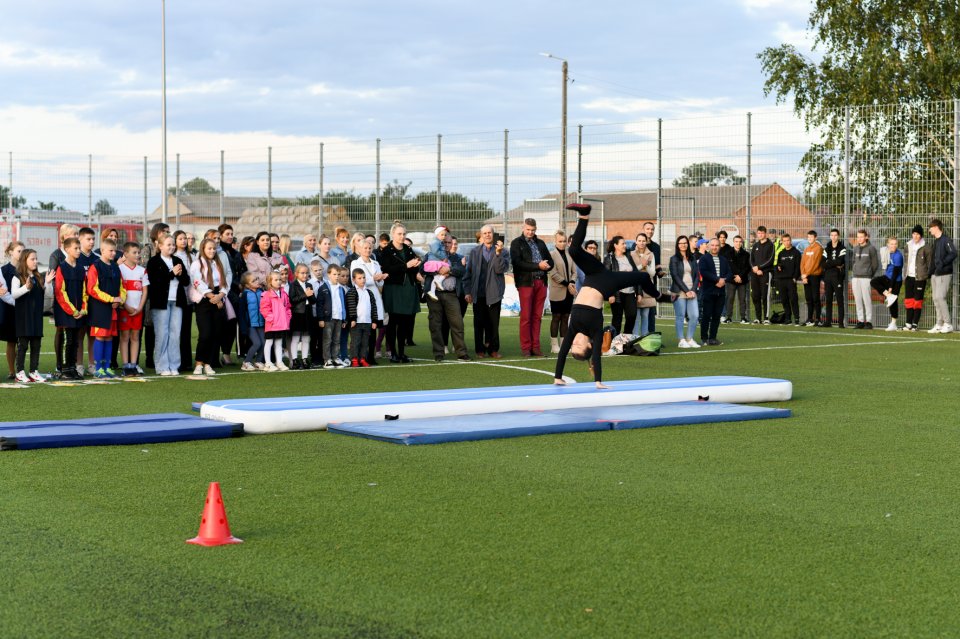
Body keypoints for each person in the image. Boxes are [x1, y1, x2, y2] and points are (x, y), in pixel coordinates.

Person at [554, 204, 674, 388]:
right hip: (608, 282)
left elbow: (562, 352)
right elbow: (596, 356)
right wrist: (598, 381)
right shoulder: (595, 329)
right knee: (642, 276)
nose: (574, 342)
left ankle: (584, 215)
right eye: (579, 345)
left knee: (573, 250)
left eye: (573, 346)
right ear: (588, 345)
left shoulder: (573, 329)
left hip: (593, 274)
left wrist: (557, 377)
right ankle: (659, 296)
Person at [146, 234, 189, 376]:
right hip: (160, 303)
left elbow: (186, 281)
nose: (171, 247)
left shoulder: (178, 260)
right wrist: (171, 273)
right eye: (168, 244)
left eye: (173, 245)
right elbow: (155, 282)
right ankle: (162, 366)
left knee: (175, 334)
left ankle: (174, 365)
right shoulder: (153, 262)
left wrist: (180, 274)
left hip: (177, 302)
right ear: (160, 246)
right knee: (162, 334)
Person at [464, 225, 509, 359]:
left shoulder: (504, 252)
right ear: (481, 236)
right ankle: (480, 350)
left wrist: (498, 253)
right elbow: (468, 273)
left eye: (490, 233)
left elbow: (499, 269)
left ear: (493, 234)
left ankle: (493, 349)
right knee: (479, 323)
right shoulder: (474, 252)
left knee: (494, 323)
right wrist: (467, 291)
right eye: (485, 233)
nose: (487, 235)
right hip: (478, 292)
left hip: (494, 293)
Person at [379, 223, 422, 363]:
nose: (402, 236)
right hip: (394, 289)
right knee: (393, 322)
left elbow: (413, 268)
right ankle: (393, 353)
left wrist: (416, 265)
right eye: (399, 234)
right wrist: (405, 266)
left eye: (404, 234)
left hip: (408, 289)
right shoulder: (386, 251)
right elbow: (386, 268)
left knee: (405, 323)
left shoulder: (408, 249)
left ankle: (402, 353)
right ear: (393, 235)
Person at [11, 249, 55, 382]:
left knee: (36, 344)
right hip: (23, 317)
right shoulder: (17, 276)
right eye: (32, 259)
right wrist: (26, 288)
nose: (35, 261)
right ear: (25, 260)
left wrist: (47, 283)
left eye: (36, 259)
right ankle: (20, 372)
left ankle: (33, 371)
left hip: (36, 317)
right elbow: (14, 294)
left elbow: (48, 295)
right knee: (23, 345)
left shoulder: (39, 277)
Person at [511, 218, 553, 356]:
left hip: (541, 282)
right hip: (526, 283)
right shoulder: (516, 243)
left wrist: (547, 265)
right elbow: (517, 263)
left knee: (537, 317)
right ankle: (526, 348)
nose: (530, 232)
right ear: (523, 228)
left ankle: (536, 347)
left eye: (533, 230)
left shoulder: (540, 243)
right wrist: (537, 266)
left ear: (536, 229)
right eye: (528, 229)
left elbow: (550, 261)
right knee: (526, 317)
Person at [85, 238, 126, 378]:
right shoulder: (95, 267)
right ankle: (98, 368)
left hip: (113, 309)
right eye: (111, 250)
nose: (114, 253)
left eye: (115, 251)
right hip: (99, 309)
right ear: (102, 251)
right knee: (100, 337)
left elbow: (122, 287)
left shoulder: (115, 267)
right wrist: (111, 299)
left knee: (109, 338)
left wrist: (120, 300)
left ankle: (107, 367)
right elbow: (92, 289)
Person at [423, 245, 470, 363]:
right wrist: (437, 268)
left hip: (451, 294)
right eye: (445, 243)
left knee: (457, 323)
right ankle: (439, 353)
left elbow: (462, 271)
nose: (448, 245)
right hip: (434, 295)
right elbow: (422, 269)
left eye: (450, 242)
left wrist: (449, 269)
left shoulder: (457, 257)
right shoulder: (430, 255)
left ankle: (461, 353)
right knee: (435, 325)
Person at [189, 238, 228, 376]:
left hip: (217, 297)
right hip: (204, 300)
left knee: (216, 333)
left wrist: (221, 295)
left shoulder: (218, 264)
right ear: (203, 249)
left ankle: (208, 364)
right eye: (209, 248)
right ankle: (199, 363)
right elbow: (197, 283)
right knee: (205, 334)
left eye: (213, 248)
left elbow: (224, 282)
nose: (212, 251)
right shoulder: (197, 264)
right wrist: (213, 297)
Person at [52, 237, 88, 380]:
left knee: (76, 341)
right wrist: (72, 310)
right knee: (68, 340)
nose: (79, 251)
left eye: (79, 248)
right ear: (67, 250)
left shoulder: (80, 268)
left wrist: (83, 308)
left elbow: (84, 290)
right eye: (76, 248)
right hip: (66, 312)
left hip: (78, 312)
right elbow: (60, 292)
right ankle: (65, 369)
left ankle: (72, 367)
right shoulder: (61, 268)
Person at [50, 223, 80, 376]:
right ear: (64, 237)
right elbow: (55, 281)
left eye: (77, 234)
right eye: (73, 234)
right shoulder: (57, 255)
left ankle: (71, 366)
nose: (76, 237)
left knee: (73, 338)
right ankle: (60, 365)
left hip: (76, 304)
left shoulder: (77, 256)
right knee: (61, 332)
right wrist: (67, 305)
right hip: (63, 303)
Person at [118, 242, 149, 376]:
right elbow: (119, 290)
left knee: (135, 336)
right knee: (125, 336)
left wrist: (140, 307)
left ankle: (133, 364)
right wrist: (126, 306)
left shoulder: (142, 270)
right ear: (125, 254)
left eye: (138, 252)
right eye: (134, 252)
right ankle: (126, 365)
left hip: (138, 310)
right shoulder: (120, 269)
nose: (137, 255)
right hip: (125, 309)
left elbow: (145, 290)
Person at [696, 238, 732, 345]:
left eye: (716, 245)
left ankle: (713, 338)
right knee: (706, 315)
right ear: (709, 246)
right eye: (712, 245)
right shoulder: (704, 259)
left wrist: (724, 280)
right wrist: (717, 280)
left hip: (720, 292)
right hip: (708, 291)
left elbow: (729, 273)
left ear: (719, 247)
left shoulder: (723, 259)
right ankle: (704, 338)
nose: (714, 247)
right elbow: (704, 272)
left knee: (717, 316)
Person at [603, 236, 640, 336]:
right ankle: (614, 340)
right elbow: (606, 278)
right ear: (615, 245)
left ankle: (627, 337)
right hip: (617, 293)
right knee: (617, 318)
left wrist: (639, 292)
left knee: (632, 315)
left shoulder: (628, 256)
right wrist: (610, 294)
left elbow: (636, 274)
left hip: (630, 292)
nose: (625, 245)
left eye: (625, 243)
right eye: (622, 243)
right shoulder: (609, 258)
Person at [548, 230, 577, 353]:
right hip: (557, 291)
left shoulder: (570, 254)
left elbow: (574, 271)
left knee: (566, 317)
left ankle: (564, 344)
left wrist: (572, 283)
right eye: (560, 241)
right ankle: (554, 345)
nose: (563, 243)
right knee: (556, 317)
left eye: (564, 241)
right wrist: (567, 283)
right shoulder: (551, 254)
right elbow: (553, 273)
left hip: (569, 291)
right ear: (555, 241)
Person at [670, 236, 700, 348]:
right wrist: (686, 291)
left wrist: (693, 290)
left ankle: (690, 338)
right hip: (679, 291)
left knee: (694, 315)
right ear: (677, 245)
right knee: (680, 316)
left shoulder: (692, 258)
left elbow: (697, 275)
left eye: (685, 243)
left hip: (691, 291)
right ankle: (681, 340)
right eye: (681, 243)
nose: (683, 245)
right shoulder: (674, 259)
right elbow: (675, 276)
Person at [345, 268, 379, 367]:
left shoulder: (369, 292)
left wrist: (374, 320)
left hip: (367, 322)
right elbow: (351, 307)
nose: (362, 280)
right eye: (359, 278)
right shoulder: (352, 292)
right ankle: (354, 359)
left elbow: (373, 307)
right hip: (356, 323)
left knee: (365, 342)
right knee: (356, 342)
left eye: (364, 278)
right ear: (354, 279)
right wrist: (352, 319)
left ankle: (363, 358)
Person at [868, 236, 903, 331]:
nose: (893, 246)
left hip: (896, 281)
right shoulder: (886, 252)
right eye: (891, 244)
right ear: (888, 244)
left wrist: (891, 287)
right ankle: (888, 295)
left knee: (893, 303)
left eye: (895, 244)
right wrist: (887, 292)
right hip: (887, 277)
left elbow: (895, 274)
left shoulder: (898, 256)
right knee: (874, 281)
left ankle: (893, 323)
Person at [928, 219, 956, 333]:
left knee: (940, 297)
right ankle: (939, 324)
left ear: (936, 227)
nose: (929, 230)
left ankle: (948, 324)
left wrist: (943, 263)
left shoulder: (945, 240)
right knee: (935, 298)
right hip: (935, 274)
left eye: (930, 227)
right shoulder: (936, 241)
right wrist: (931, 272)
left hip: (944, 273)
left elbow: (953, 253)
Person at [259, 270, 292, 372]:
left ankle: (279, 362)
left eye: (279, 280)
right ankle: (268, 363)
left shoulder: (284, 294)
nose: (278, 282)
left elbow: (288, 307)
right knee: (269, 342)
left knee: (279, 343)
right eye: (276, 280)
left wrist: (287, 317)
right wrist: (271, 319)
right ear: (270, 282)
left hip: (281, 324)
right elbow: (264, 309)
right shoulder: (267, 295)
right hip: (272, 324)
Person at [2, 242, 25, 379]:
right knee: (11, 340)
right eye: (18, 251)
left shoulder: (25, 269)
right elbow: (3, 292)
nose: (21, 254)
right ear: (10, 252)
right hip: (9, 308)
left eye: (23, 251)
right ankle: (12, 371)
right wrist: (13, 302)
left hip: (23, 309)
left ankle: (21, 370)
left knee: (23, 340)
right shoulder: (4, 270)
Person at [903, 224, 933, 331]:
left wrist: (927, 275)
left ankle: (915, 324)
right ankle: (908, 324)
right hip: (909, 277)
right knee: (909, 301)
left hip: (920, 278)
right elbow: (906, 262)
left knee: (917, 301)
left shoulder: (926, 247)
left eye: (918, 234)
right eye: (914, 234)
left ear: (921, 236)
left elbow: (930, 263)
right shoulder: (907, 245)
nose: (915, 236)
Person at [318, 264, 347, 368]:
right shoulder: (323, 288)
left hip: (339, 318)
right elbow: (319, 305)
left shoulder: (341, 289)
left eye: (338, 274)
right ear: (328, 274)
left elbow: (343, 304)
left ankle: (335, 358)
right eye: (334, 274)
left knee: (336, 340)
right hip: (328, 319)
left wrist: (344, 319)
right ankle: (327, 359)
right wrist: (321, 319)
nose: (337, 276)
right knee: (327, 339)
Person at [288, 264, 316, 369]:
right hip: (297, 314)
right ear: (296, 274)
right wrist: (305, 295)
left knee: (306, 338)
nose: (305, 275)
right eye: (302, 273)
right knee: (295, 338)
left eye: (306, 273)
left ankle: (304, 359)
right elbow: (292, 300)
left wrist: (311, 296)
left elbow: (313, 301)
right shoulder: (293, 285)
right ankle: (295, 360)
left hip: (308, 314)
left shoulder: (309, 285)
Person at [851, 229, 879, 329]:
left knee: (867, 300)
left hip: (866, 278)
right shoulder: (855, 248)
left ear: (866, 237)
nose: (859, 239)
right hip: (855, 278)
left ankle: (869, 321)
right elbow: (853, 261)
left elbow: (875, 264)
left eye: (861, 237)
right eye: (858, 237)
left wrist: (870, 274)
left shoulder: (871, 248)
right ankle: (860, 321)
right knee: (857, 300)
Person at [631, 232, 658, 336]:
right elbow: (631, 271)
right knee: (636, 316)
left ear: (646, 242)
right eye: (639, 241)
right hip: (635, 286)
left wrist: (646, 266)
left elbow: (652, 273)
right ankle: (635, 338)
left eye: (643, 241)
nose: (641, 243)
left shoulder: (651, 254)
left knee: (646, 315)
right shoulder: (631, 254)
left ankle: (644, 339)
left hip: (647, 287)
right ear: (636, 241)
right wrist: (640, 265)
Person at [773, 233, 801, 325]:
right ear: (782, 242)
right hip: (781, 280)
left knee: (793, 299)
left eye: (788, 240)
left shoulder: (796, 252)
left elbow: (798, 267)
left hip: (791, 280)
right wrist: (778, 268)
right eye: (784, 241)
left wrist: (795, 278)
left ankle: (796, 318)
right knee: (784, 300)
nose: (786, 242)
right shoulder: (781, 253)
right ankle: (788, 318)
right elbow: (777, 266)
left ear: (790, 241)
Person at [822, 228, 847, 328]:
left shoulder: (842, 248)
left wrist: (829, 262)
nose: (833, 237)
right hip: (828, 277)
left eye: (835, 235)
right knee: (828, 300)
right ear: (830, 236)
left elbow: (840, 261)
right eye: (832, 235)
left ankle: (841, 323)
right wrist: (832, 263)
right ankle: (828, 322)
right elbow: (822, 263)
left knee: (839, 300)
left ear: (838, 236)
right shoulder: (826, 248)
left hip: (837, 277)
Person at [750, 225, 775, 324]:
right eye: (759, 233)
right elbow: (751, 259)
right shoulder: (755, 245)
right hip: (755, 274)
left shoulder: (770, 245)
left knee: (765, 296)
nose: (760, 235)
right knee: (755, 296)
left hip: (765, 274)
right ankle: (758, 317)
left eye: (762, 233)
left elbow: (770, 260)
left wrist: (760, 268)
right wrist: (755, 269)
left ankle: (766, 317)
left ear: (765, 234)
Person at [240, 272, 265, 371]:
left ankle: (258, 361)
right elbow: (241, 313)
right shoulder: (245, 295)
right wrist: (243, 327)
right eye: (253, 280)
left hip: (261, 323)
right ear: (247, 285)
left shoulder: (262, 291)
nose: (257, 281)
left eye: (257, 278)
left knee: (264, 343)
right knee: (257, 343)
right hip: (250, 324)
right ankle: (246, 362)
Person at [800, 230, 825, 326]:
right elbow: (802, 263)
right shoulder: (806, 249)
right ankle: (809, 319)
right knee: (808, 298)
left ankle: (817, 318)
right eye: (808, 237)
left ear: (815, 238)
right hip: (806, 277)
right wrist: (803, 275)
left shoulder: (818, 248)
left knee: (815, 298)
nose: (809, 239)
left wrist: (807, 274)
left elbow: (816, 263)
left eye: (811, 237)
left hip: (814, 276)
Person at [724, 235, 751, 324]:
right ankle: (728, 317)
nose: (738, 243)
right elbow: (728, 267)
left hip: (742, 280)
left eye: (740, 241)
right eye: (736, 241)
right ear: (733, 242)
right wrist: (735, 276)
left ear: (742, 242)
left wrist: (740, 276)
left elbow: (747, 267)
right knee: (730, 298)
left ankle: (743, 317)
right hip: (731, 280)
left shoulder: (746, 254)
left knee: (742, 299)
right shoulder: (728, 253)